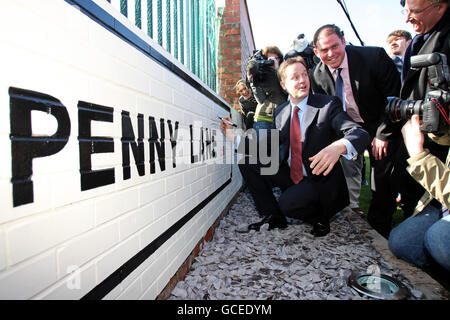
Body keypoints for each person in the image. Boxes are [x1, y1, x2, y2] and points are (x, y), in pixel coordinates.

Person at [221, 56, 370, 237]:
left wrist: (338, 146)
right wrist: (232, 136)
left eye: (304, 75)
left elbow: (358, 132)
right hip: (292, 173)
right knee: (247, 162)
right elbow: (268, 144)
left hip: (318, 178)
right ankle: (273, 217)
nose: (302, 81)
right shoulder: (281, 112)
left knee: (288, 204)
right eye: (294, 77)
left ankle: (319, 216)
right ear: (284, 85)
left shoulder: (327, 104)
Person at [310, 24, 401, 238]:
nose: (330, 54)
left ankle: (379, 229)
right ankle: (348, 209)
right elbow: (326, 112)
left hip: (380, 122)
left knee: (382, 176)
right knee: (345, 168)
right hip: (349, 128)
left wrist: (383, 134)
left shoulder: (374, 57)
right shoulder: (318, 75)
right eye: (324, 50)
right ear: (316, 52)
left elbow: (394, 97)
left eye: (335, 46)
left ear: (343, 41)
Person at [393, 0, 450, 219]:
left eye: (415, 12)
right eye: (405, 10)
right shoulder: (418, 41)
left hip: (440, 143)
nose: (407, 19)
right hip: (414, 131)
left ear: (440, 6)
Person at [389, 115, 449, 271]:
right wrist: (438, 129)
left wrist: (418, 155)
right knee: (400, 242)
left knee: (439, 236)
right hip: (442, 205)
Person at [246, 46, 288, 137]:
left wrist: (277, 70)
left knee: (281, 150)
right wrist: (253, 81)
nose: (272, 61)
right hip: (263, 118)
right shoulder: (262, 75)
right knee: (263, 150)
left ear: (280, 59)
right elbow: (260, 99)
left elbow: (286, 93)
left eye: (275, 58)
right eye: (269, 59)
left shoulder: (286, 72)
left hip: (283, 118)